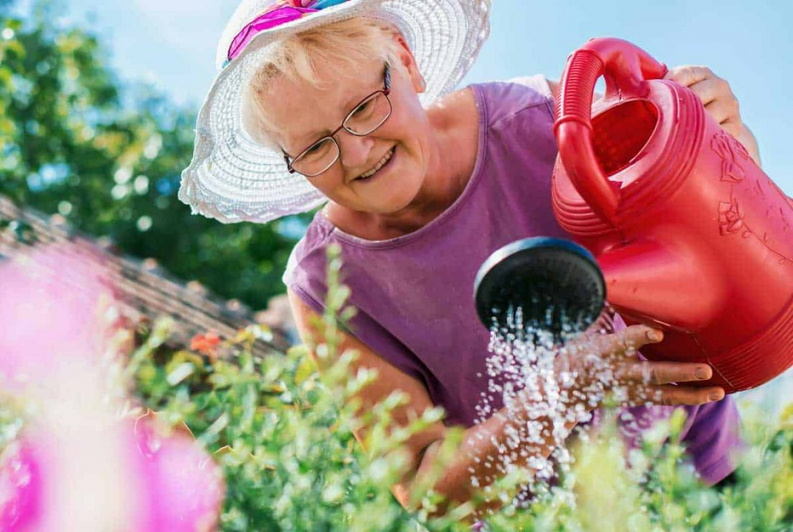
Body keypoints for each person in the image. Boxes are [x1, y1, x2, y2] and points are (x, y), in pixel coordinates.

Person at [179, 0, 753, 519]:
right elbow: (423, 484)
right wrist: (558, 399)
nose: (355, 152)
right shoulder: (324, 285)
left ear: (405, 63)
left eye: (363, 107)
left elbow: (720, 231)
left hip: (699, 473)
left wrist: (724, 141)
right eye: (312, 147)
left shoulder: (538, 120)